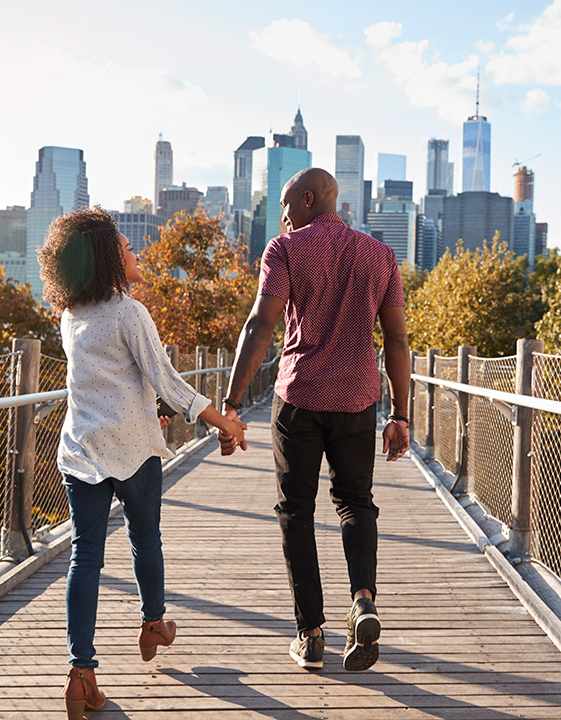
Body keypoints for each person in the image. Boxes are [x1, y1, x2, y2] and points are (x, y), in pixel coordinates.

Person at [37, 207, 247, 719]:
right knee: (144, 538)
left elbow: (105, 381)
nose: (137, 254)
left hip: (82, 451)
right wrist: (223, 422)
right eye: (128, 248)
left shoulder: (72, 316)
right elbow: (167, 380)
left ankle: (81, 672)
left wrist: (147, 406)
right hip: (132, 452)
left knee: (84, 557)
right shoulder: (129, 312)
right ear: (110, 258)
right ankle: (153, 623)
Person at [218, 168, 411, 672]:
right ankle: (363, 600)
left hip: (300, 399)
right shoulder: (381, 255)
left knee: (295, 512)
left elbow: (262, 325)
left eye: (285, 205)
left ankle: (310, 633)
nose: (282, 217)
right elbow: (396, 341)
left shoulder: (284, 251)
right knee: (355, 503)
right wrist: (401, 414)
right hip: (358, 401)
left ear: (309, 199)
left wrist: (232, 402)